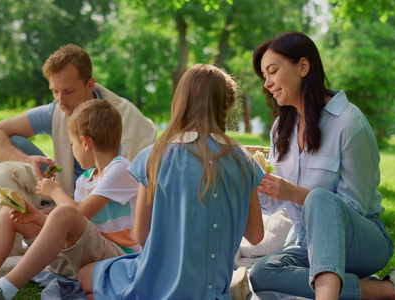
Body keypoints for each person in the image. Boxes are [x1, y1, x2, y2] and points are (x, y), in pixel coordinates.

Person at [247, 31, 395, 300]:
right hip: (307, 243)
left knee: (321, 200)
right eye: (264, 77)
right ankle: (386, 289)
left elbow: (351, 208)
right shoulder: (281, 128)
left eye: (272, 71)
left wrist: (295, 193)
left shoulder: (349, 122)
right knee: (262, 273)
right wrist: (250, 183)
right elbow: (272, 204)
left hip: (361, 241)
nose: (267, 83)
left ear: (303, 66)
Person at [0, 99, 141, 300]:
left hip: (118, 258)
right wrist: (36, 217)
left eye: (72, 144)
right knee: (11, 214)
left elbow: (79, 215)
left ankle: (2, 290)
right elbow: (72, 229)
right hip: (82, 254)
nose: (72, 151)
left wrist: (54, 192)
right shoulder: (86, 179)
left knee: (63, 212)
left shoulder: (120, 169)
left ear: (86, 142)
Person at [78, 64, 265, 300]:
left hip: (156, 285)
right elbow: (256, 236)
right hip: (211, 292)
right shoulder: (244, 162)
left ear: (181, 102)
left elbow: (140, 236)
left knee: (86, 275)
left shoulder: (153, 156)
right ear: (227, 104)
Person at [0, 44, 157, 198]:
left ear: (90, 84)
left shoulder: (121, 118)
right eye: (55, 91)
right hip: (63, 195)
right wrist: (26, 160)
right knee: (14, 143)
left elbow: (131, 188)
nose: (60, 100)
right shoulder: (55, 111)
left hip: (103, 208)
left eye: (68, 91)